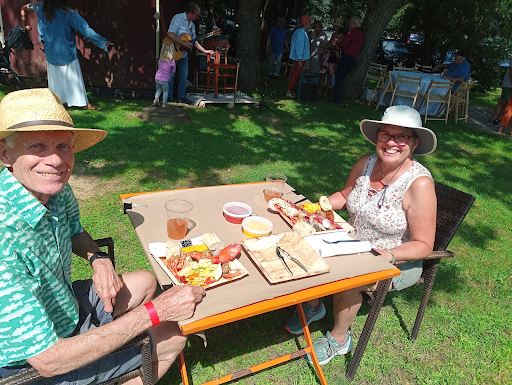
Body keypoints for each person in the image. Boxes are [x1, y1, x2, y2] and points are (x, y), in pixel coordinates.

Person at [0, 88, 206, 384]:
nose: (56, 161)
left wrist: (98, 260)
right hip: (30, 364)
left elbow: (74, 231)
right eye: (37, 146)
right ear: (5, 154)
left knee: (146, 281)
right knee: (171, 335)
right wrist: (155, 312)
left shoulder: (53, 189)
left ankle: (106, 347)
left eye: (62, 146)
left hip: (63, 307)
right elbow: (47, 359)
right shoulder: (4, 241)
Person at [284, 105, 437, 365]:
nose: (391, 142)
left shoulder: (419, 184)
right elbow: (345, 196)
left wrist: (388, 254)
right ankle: (314, 305)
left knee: (349, 277)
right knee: (301, 239)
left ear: (414, 142)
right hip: (350, 240)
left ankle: (339, 339)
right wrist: (310, 209)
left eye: (401, 137)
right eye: (385, 134)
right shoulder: (366, 162)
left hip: (397, 260)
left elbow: (423, 245)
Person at [21, 0, 110, 111]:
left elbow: (24, 8)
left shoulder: (40, 7)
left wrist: (25, 24)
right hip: (66, 53)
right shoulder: (68, 13)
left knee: (55, 80)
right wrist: (101, 41)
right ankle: (82, 104)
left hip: (51, 52)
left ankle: (58, 104)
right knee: (74, 80)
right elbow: (85, 30)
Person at [166, 2, 214, 104]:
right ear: (190, 12)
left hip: (183, 54)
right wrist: (183, 42)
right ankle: (169, 97)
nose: (197, 18)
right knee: (171, 75)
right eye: (196, 15)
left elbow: (194, 41)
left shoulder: (191, 25)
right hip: (172, 52)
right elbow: (170, 33)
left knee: (184, 75)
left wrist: (205, 51)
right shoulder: (178, 18)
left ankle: (181, 97)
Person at [331, 16, 365, 105]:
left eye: (350, 23)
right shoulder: (361, 34)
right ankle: (339, 96)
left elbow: (344, 45)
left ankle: (336, 100)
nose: (349, 25)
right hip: (354, 58)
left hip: (346, 57)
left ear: (354, 24)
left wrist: (338, 42)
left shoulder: (352, 33)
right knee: (344, 76)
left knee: (339, 77)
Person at [286, 15, 313, 99]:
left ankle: (291, 90)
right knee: (296, 74)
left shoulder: (299, 32)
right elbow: (300, 46)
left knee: (296, 74)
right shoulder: (301, 33)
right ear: (305, 23)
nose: (310, 24)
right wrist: (300, 59)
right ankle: (289, 91)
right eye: (309, 22)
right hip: (299, 58)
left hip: (299, 57)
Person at [318, 18, 344, 98]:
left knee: (329, 75)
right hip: (327, 55)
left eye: (335, 26)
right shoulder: (333, 34)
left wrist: (333, 46)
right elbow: (329, 44)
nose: (334, 27)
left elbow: (340, 48)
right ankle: (319, 89)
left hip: (333, 57)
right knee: (322, 73)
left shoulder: (342, 36)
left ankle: (326, 92)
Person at [488, 59, 512, 125]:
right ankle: (493, 118)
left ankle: (499, 118)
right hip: (508, 85)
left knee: (507, 103)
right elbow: (511, 73)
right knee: (502, 101)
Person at [153, 43, 176, 107]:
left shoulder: (160, 60)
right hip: (164, 80)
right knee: (166, 91)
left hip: (157, 78)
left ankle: (155, 100)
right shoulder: (172, 61)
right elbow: (173, 70)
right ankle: (164, 104)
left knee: (159, 89)